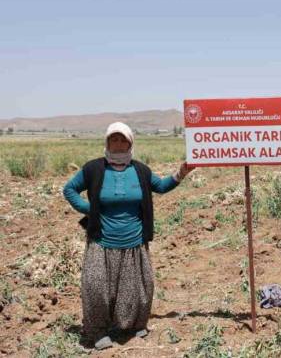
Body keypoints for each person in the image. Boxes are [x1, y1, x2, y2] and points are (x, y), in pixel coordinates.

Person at [62, 122, 193, 350]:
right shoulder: (94, 169)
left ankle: (133, 325)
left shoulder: (140, 170)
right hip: (101, 240)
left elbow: (161, 186)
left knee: (137, 287)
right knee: (95, 286)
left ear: (131, 143)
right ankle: (98, 331)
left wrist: (182, 172)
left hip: (134, 242)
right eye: (114, 139)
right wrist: (88, 208)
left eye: (123, 140)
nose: (119, 144)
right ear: (107, 142)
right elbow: (69, 189)